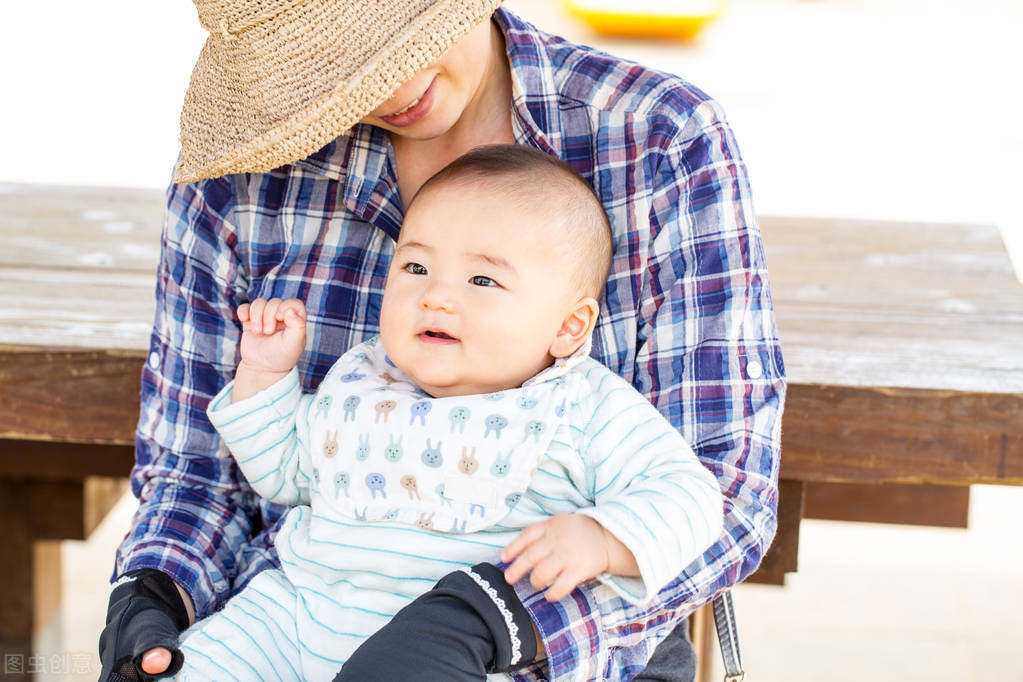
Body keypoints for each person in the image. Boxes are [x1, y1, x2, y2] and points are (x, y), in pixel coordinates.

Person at [99, 1, 785, 680]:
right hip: (298, 613)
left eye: (397, 44)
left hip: (545, 649)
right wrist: (154, 590)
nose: (387, 90)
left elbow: (720, 497)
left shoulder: (660, 137)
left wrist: (495, 620)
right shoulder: (358, 367)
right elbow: (205, 472)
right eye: (329, 70)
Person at [167, 144, 724, 681]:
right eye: (415, 268)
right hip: (294, 619)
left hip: (452, 652)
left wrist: (604, 538)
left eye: (482, 280)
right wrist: (265, 376)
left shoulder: (581, 406)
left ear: (567, 327)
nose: (435, 296)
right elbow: (283, 472)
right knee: (200, 662)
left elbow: (691, 495)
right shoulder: (366, 379)